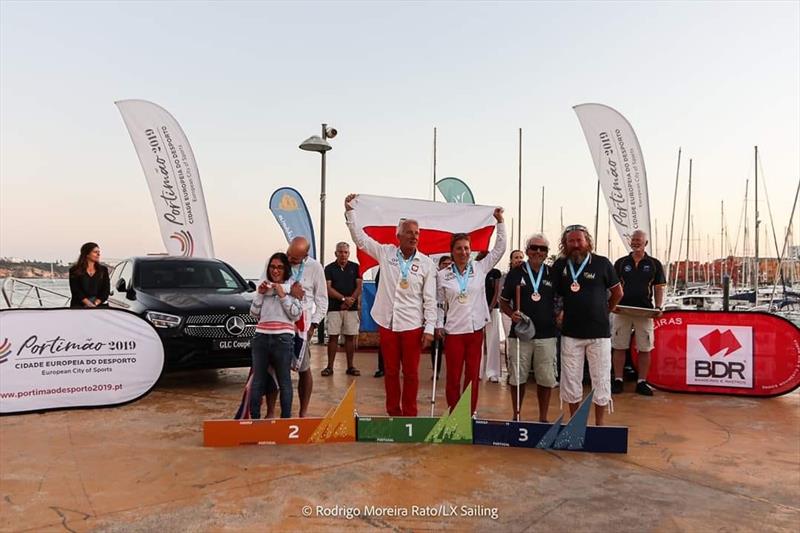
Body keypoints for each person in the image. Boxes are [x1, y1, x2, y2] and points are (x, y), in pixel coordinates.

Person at [345, 193, 437, 416]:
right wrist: (350, 212)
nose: (413, 236)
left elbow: (430, 299)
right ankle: (393, 413)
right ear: (398, 235)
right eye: (409, 232)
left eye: (417, 233)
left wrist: (430, 328)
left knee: (412, 374)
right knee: (391, 371)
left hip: (412, 325)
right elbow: (360, 239)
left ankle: (410, 414)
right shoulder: (386, 253)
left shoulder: (426, 263)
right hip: (387, 322)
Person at [436, 209, 506, 414]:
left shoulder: (480, 267)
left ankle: (470, 412)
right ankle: (453, 410)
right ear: (452, 251)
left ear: (471, 250)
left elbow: (499, 249)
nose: (463, 252)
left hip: (475, 330)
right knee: (453, 376)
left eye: (466, 248)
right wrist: (439, 325)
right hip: (454, 332)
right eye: (459, 248)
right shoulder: (442, 275)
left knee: (472, 375)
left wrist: (500, 222)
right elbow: (440, 303)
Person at [552, 225, 623, 426]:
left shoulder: (602, 263)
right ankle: (575, 423)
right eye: (571, 241)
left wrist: (604, 311)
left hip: (599, 333)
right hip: (570, 334)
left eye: (579, 241)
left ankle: (599, 425)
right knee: (571, 381)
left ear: (587, 242)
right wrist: (558, 313)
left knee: (600, 380)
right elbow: (554, 295)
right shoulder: (560, 265)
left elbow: (618, 293)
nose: (575, 245)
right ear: (565, 244)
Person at [265, 236, 328, 418]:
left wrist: (313, 325)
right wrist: (288, 290)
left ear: (305, 255)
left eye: (294, 258)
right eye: (288, 254)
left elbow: (322, 300)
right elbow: (269, 287)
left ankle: (303, 412)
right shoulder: (278, 263)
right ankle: (270, 412)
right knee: (274, 368)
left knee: (304, 369)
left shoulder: (315, 268)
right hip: (280, 322)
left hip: (302, 326)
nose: (289, 260)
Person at [499, 233, 558, 422]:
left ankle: (543, 417)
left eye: (543, 249)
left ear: (547, 253)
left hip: (547, 334)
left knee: (546, 379)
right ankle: (516, 416)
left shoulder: (552, 274)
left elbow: (562, 300)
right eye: (534, 247)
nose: (538, 252)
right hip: (520, 335)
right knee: (517, 378)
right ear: (527, 250)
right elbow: (503, 302)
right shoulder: (516, 273)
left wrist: (561, 313)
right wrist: (511, 314)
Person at [248, 253, 303, 419]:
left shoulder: (293, 287)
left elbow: (296, 314)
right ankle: (255, 420)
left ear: (285, 268)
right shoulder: (264, 285)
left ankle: (286, 420)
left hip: (283, 339)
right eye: (272, 267)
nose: (275, 270)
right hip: (261, 338)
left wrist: (283, 296)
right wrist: (260, 294)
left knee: (285, 381)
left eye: (279, 267)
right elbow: (253, 313)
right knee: (258, 381)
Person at [612, 230, 666, 396]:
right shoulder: (621, 263)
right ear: (630, 242)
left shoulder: (655, 264)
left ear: (645, 243)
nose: (636, 243)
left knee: (645, 347)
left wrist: (658, 307)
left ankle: (642, 382)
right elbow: (613, 287)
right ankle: (618, 380)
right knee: (619, 346)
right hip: (622, 310)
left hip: (645, 311)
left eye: (639, 240)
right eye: (633, 240)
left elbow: (658, 288)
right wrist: (612, 305)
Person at [323, 242, 362, 377]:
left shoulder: (356, 267)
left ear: (349, 253)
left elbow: (359, 286)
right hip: (334, 308)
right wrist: (343, 299)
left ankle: (350, 366)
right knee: (333, 337)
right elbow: (328, 288)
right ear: (336, 253)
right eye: (340, 252)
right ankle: (329, 367)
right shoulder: (329, 268)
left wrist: (350, 300)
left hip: (350, 309)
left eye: (345, 252)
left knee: (350, 337)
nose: (343, 254)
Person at [480, 251, 503, 383]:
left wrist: (490, 306)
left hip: (492, 309)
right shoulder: (477, 270)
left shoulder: (496, 272)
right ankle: (478, 371)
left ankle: (493, 372)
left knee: (493, 340)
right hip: (478, 310)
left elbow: (497, 291)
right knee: (478, 341)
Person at [431, 255, 453, 380]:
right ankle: (436, 371)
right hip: (437, 314)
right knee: (436, 345)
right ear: (439, 265)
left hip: (451, 316)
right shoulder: (435, 279)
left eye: (449, 264)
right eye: (444, 264)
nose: (447, 266)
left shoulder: (456, 278)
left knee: (450, 346)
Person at [69, 242, 110, 308]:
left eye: (99, 252)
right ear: (87, 254)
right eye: (95, 252)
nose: (98, 254)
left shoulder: (103, 270)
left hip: (100, 307)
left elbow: (106, 290)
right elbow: (75, 290)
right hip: (79, 307)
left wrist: (95, 303)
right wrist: (88, 304)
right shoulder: (74, 270)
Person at [500, 250, 525, 342]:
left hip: (522, 314)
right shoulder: (504, 277)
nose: (519, 260)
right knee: (510, 339)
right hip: (507, 313)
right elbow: (501, 296)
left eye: (521, 257)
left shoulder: (526, 277)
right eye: (516, 257)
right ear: (511, 260)